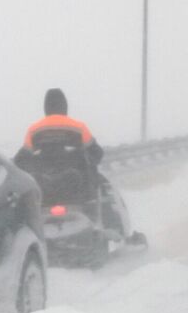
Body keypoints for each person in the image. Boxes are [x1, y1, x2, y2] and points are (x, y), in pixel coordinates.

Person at [20, 88, 134, 240]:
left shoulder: (33, 131)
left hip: (44, 193)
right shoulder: (78, 127)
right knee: (104, 189)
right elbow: (97, 153)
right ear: (64, 107)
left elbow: (21, 160)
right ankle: (117, 231)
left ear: (46, 108)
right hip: (77, 191)